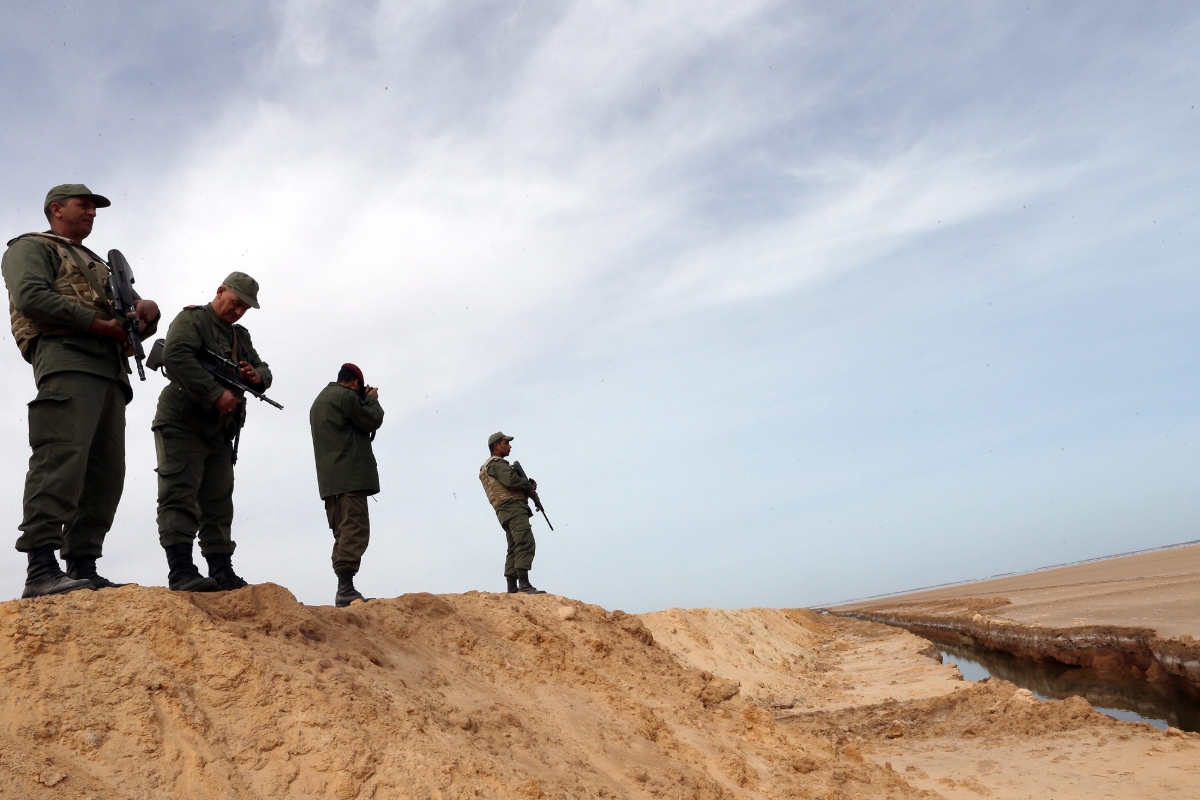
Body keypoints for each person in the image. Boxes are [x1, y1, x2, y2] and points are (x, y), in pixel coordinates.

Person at [2, 184, 160, 598]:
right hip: (67, 357)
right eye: (83, 205)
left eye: (95, 207)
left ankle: (83, 565)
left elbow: (126, 312)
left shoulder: (97, 264)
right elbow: (32, 296)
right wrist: (95, 325)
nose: (92, 212)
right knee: (61, 459)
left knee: (106, 474)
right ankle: (40, 568)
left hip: (110, 370)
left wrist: (148, 312)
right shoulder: (30, 248)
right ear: (56, 209)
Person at [152, 273, 271, 592]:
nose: (238, 311)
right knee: (180, 492)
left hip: (219, 431)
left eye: (244, 308)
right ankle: (181, 570)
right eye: (235, 303)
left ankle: (221, 569)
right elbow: (175, 356)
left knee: (219, 499)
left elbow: (264, 369)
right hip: (183, 421)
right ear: (220, 292)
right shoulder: (193, 319)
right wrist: (215, 393)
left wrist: (254, 377)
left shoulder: (240, 337)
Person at [309, 363, 384, 607]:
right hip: (350, 476)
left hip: (331, 480)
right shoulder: (345, 397)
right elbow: (372, 419)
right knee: (355, 529)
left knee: (342, 531)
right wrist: (370, 400)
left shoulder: (320, 400)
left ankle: (345, 588)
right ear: (355, 383)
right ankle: (346, 589)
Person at [479, 432, 546, 594]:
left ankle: (512, 587)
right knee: (525, 541)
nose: (509, 446)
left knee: (514, 546)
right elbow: (511, 481)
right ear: (497, 446)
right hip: (513, 508)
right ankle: (524, 584)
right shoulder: (496, 464)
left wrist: (526, 487)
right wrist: (526, 485)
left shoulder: (490, 466)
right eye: (506, 443)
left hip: (505, 510)